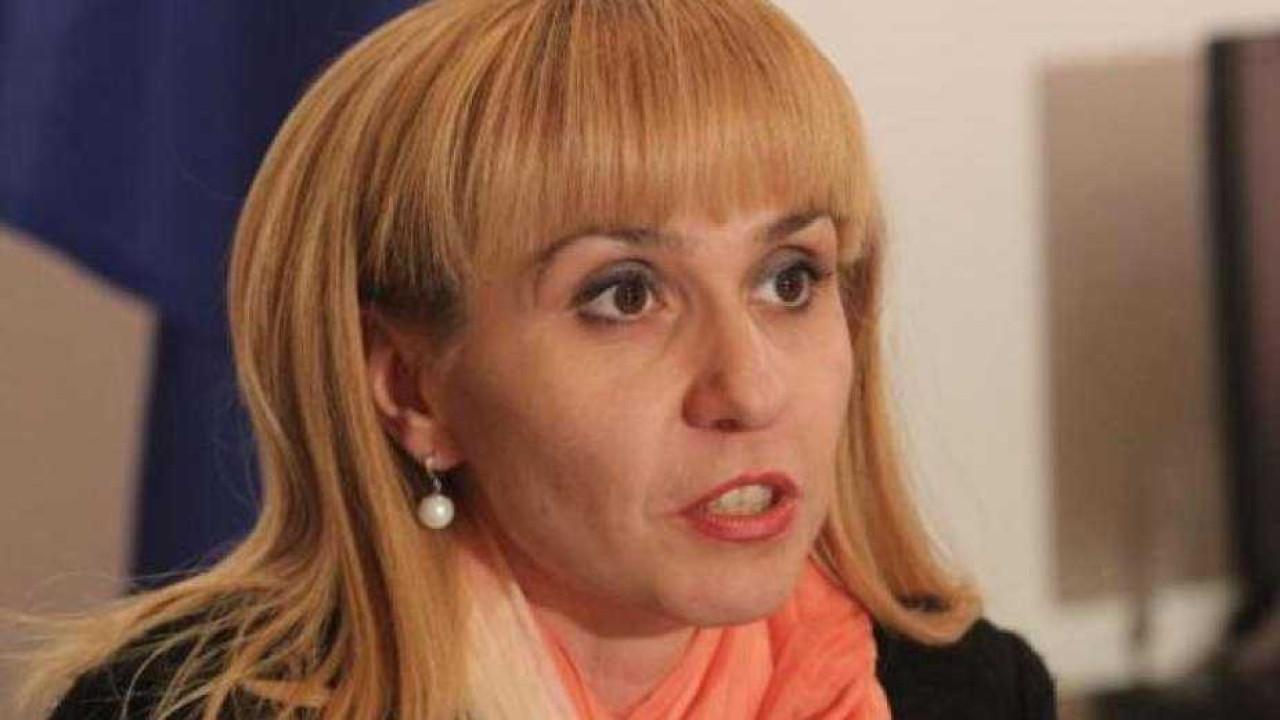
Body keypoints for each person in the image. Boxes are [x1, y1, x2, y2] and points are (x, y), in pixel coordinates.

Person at [19, 0, 1055, 717]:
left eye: (789, 279)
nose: (750, 388)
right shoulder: (172, 712)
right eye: (624, 295)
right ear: (411, 387)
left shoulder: (969, 695)